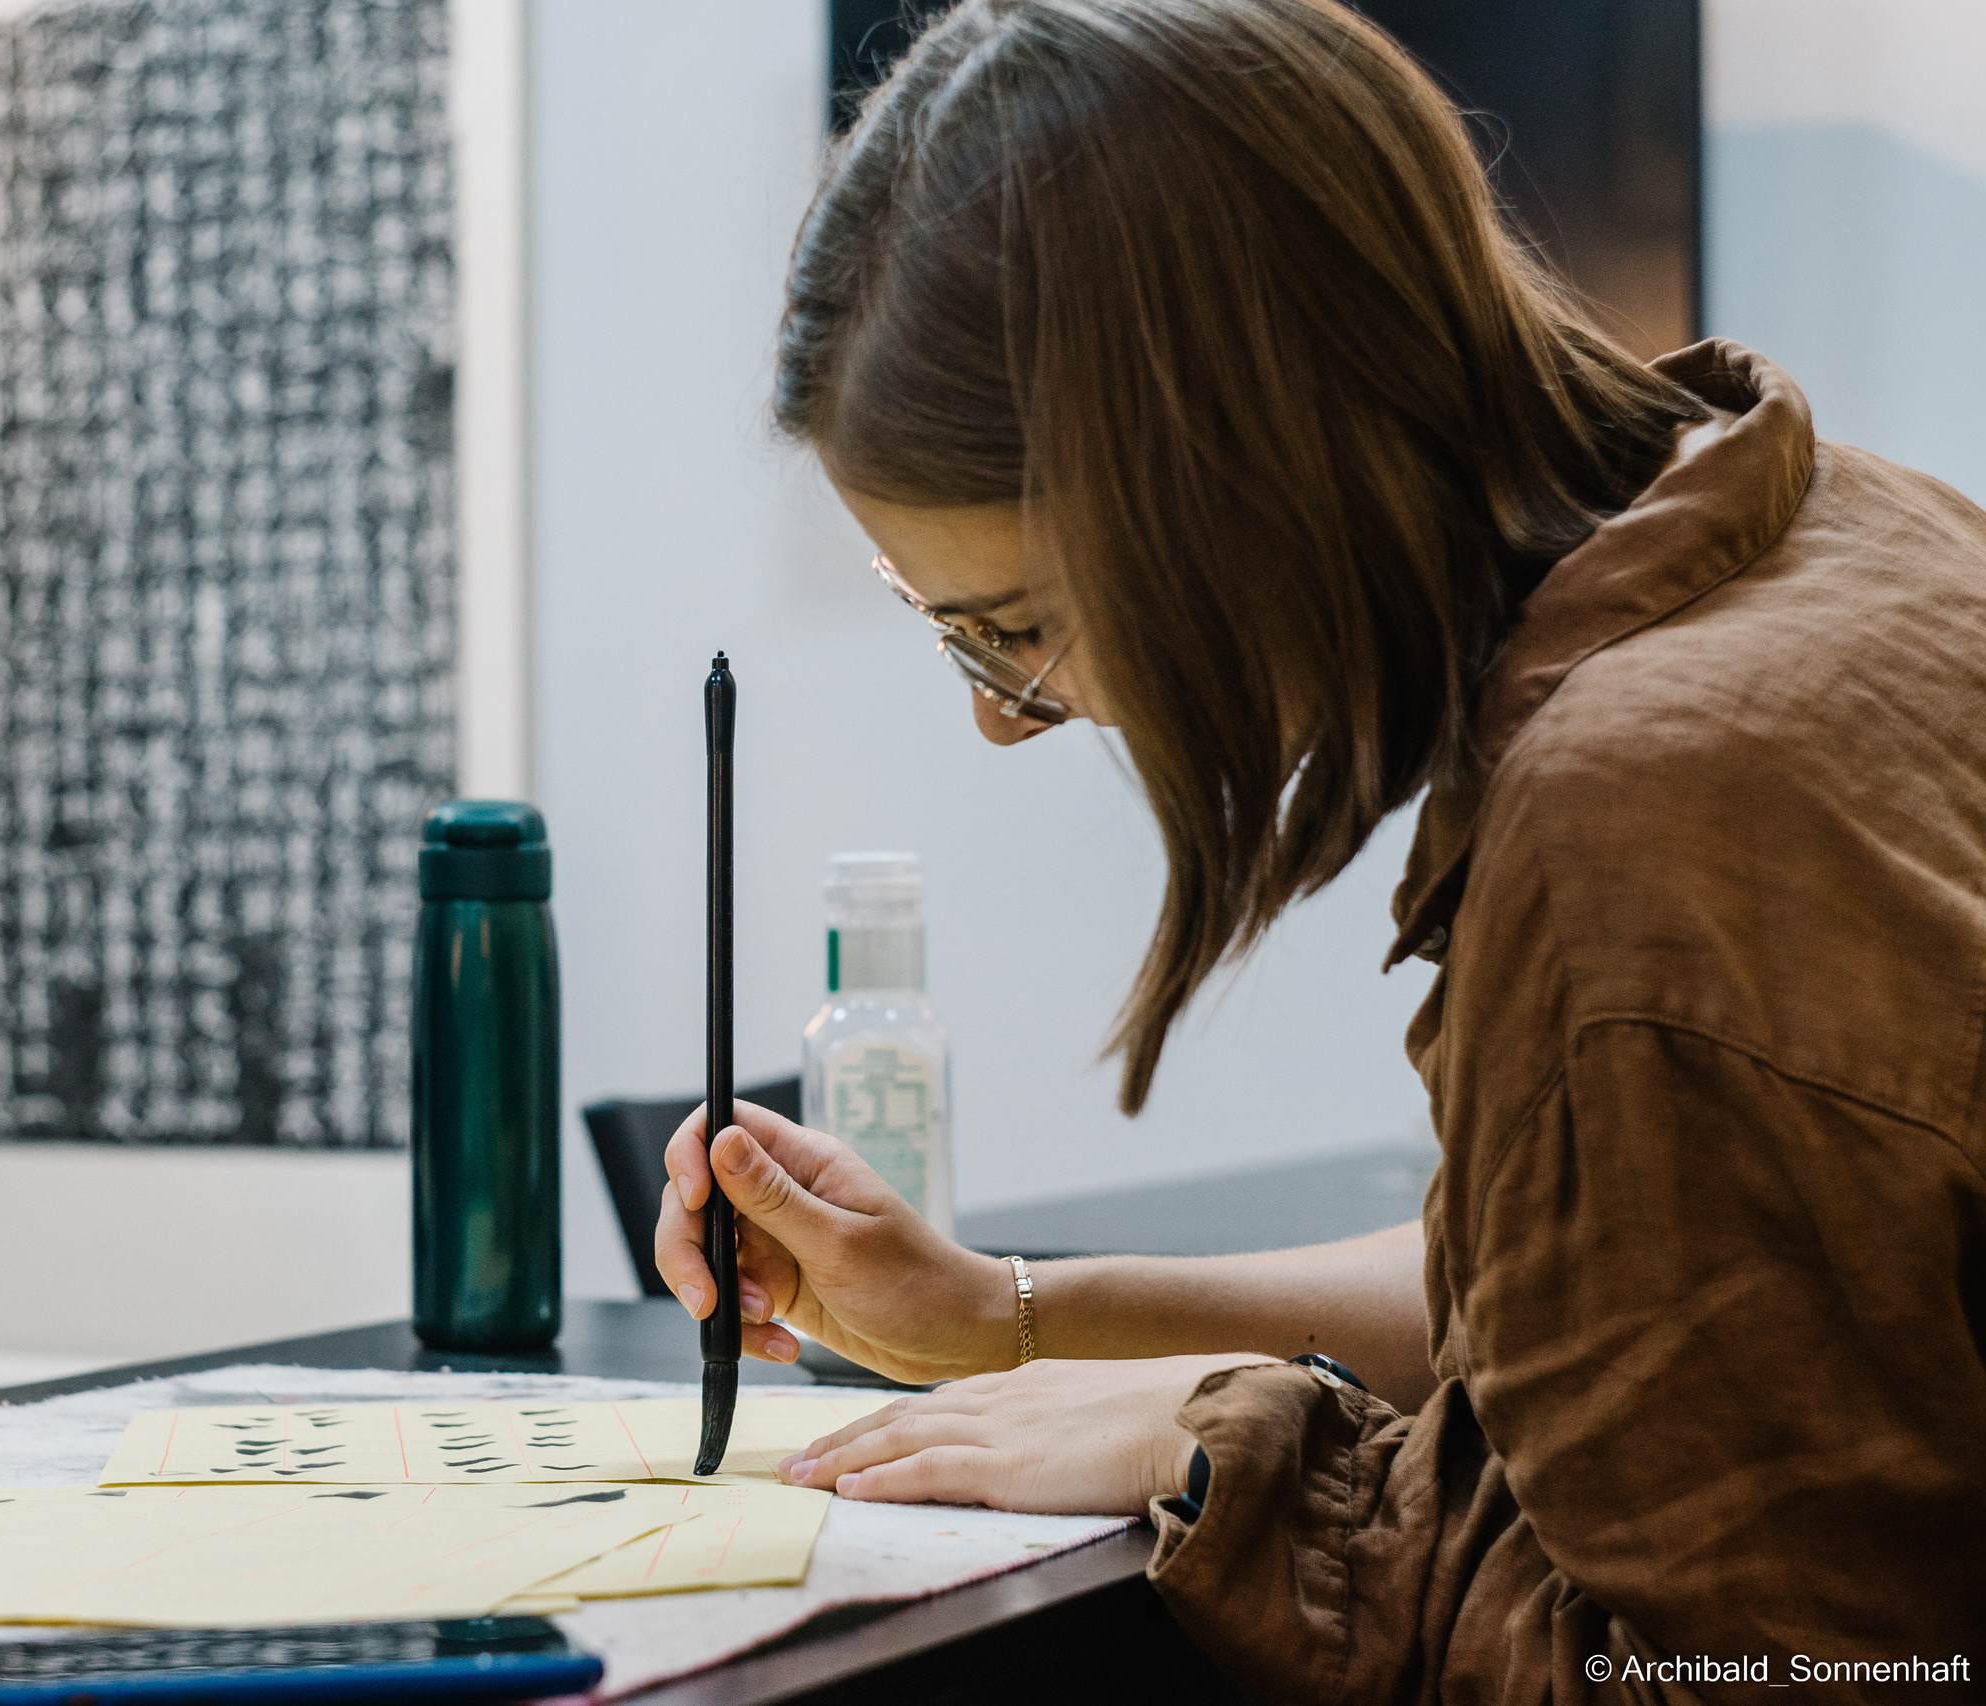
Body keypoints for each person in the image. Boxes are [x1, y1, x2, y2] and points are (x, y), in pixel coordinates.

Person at [653, 0, 1986, 1696]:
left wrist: (1248, 1452)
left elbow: (1747, 1669)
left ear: (1226, 479)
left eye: (1013, 628)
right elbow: (1579, 1299)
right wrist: (1007, 1310)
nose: (1001, 718)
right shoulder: (1845, 532)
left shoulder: (1639, 823)